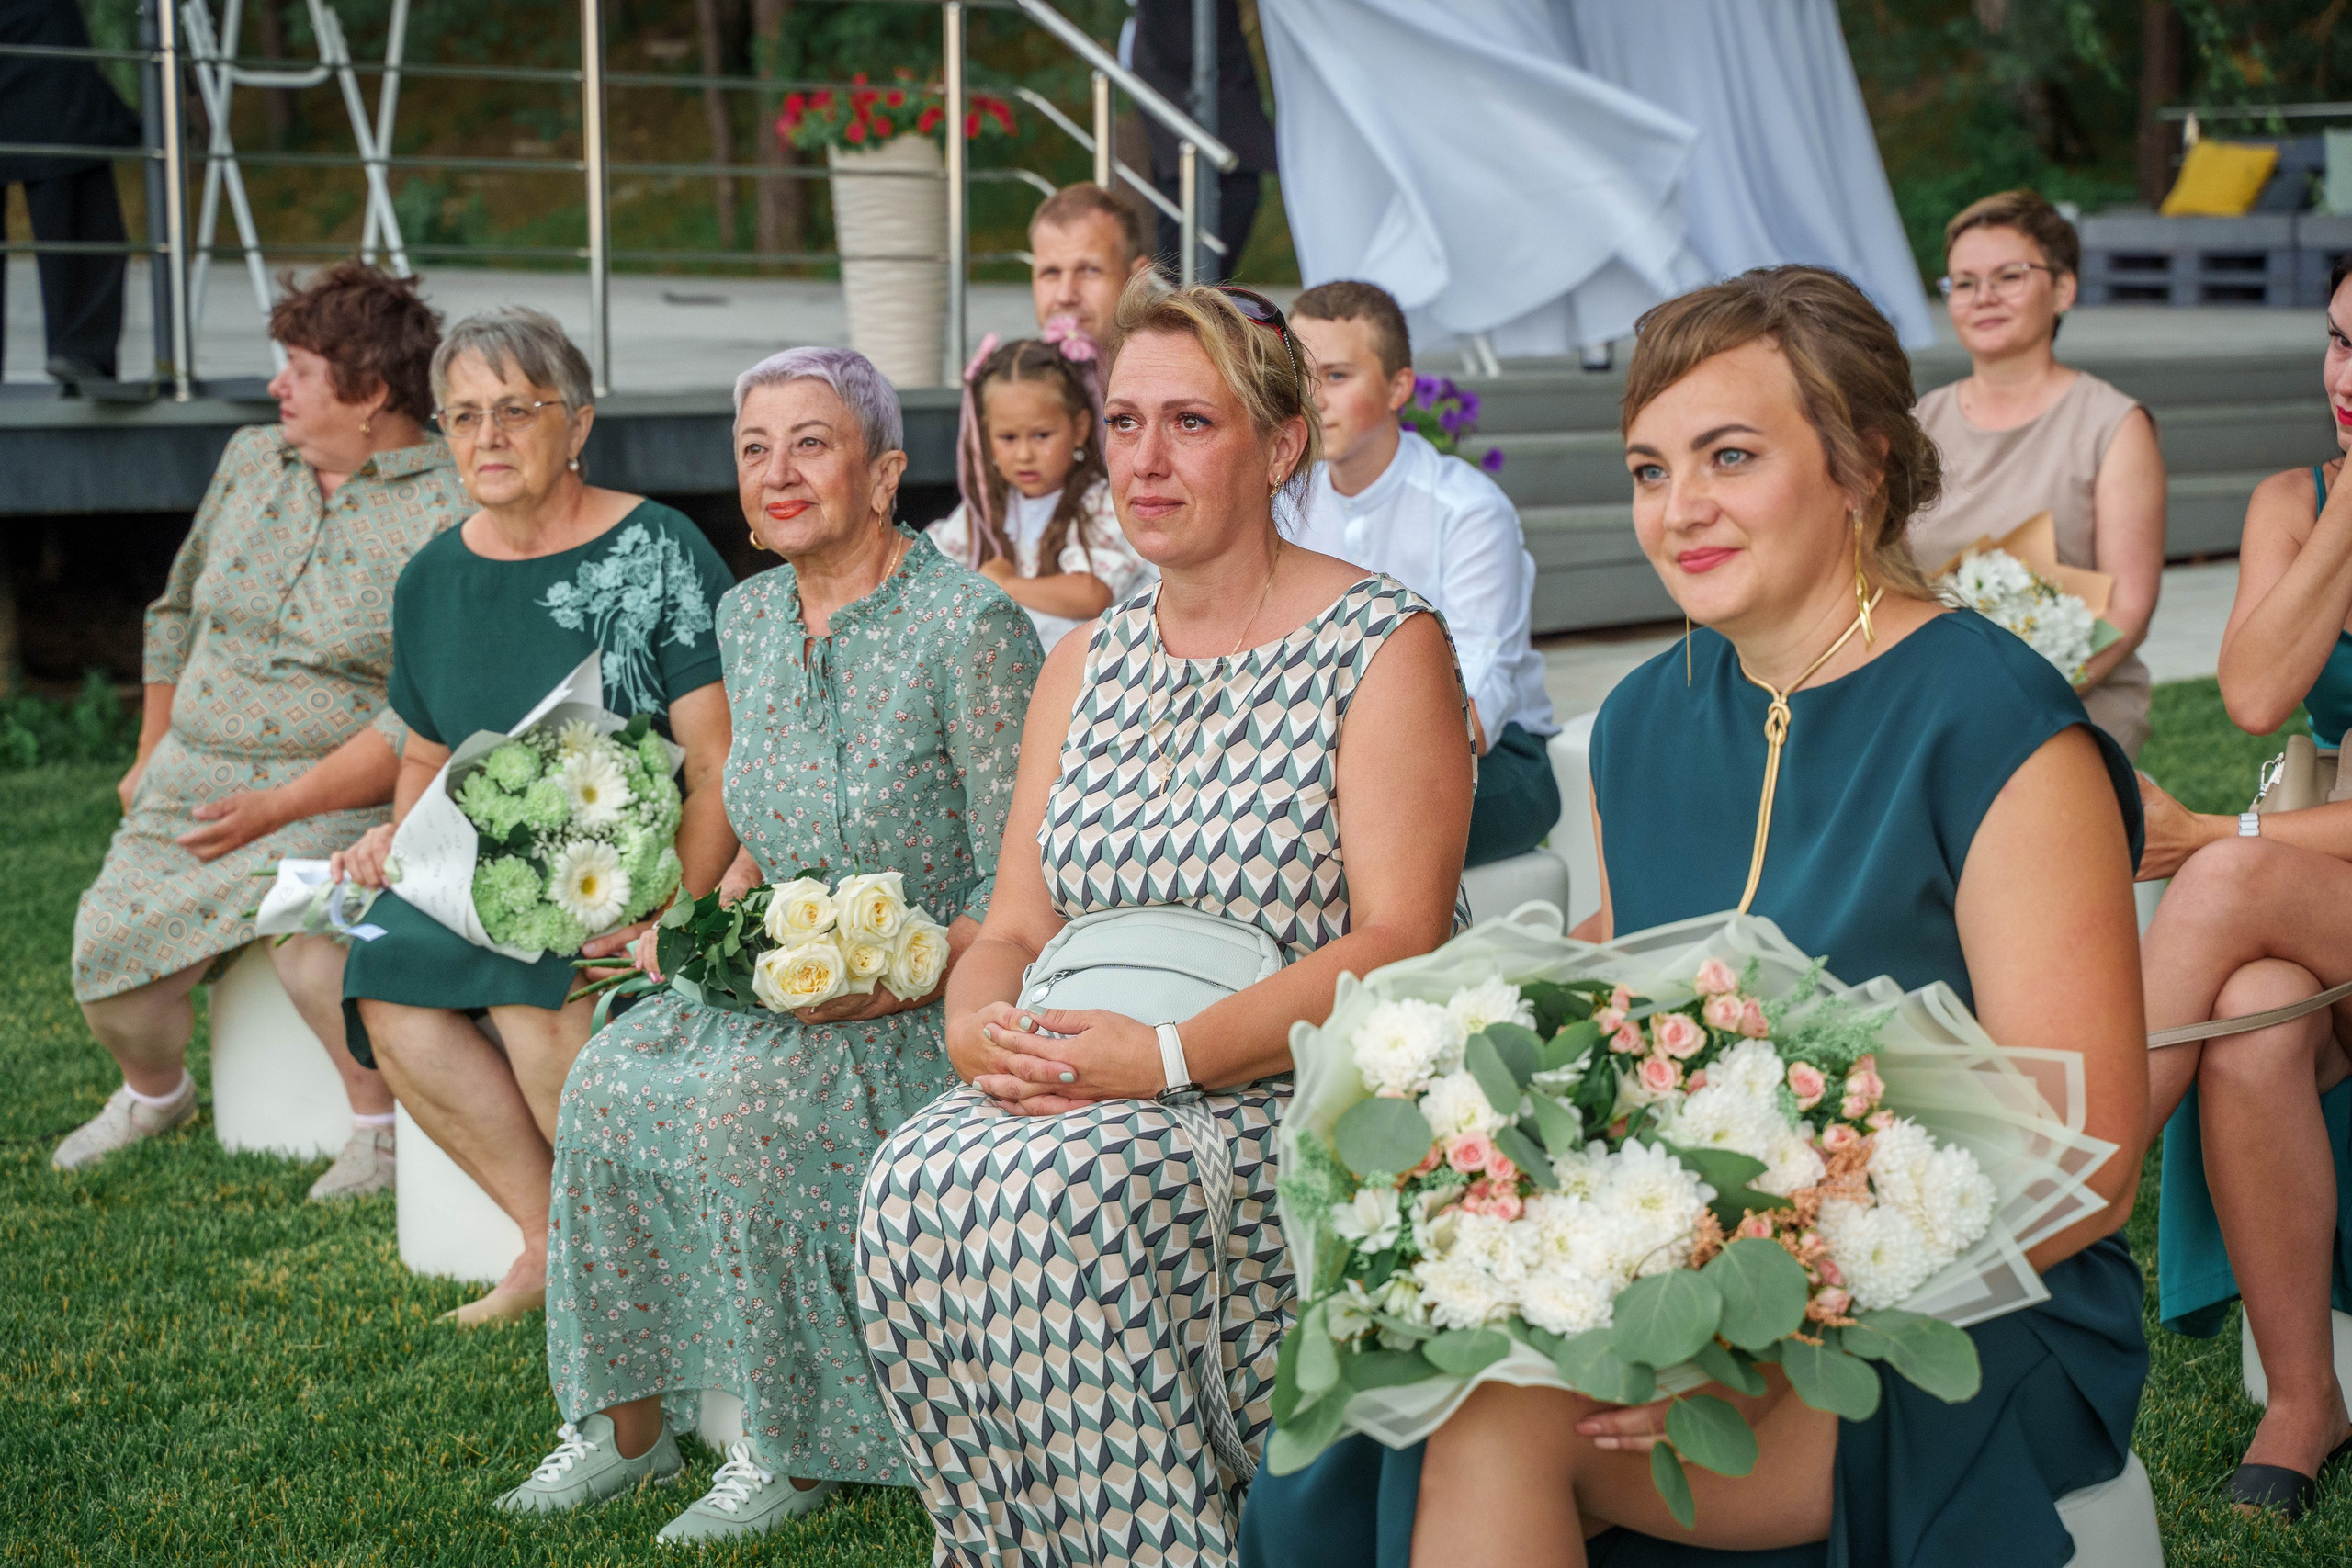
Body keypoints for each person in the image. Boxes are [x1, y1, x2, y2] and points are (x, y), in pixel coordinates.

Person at [1242, 266, 2150, 1568]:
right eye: (1650, 468)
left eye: (1730, 456)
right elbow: (1628, 1024)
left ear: (1863, 465)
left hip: (1962, 1302)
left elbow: (2093, 1151)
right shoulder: (1649, 718)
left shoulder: (1993, 722)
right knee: (1391, 1389)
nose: (1681, 509)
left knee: (1493, 1417)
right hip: (1678, 1262)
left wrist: (1762, 1320)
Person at [858, 277, 1476, 1565]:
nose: (1144, 458)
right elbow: (1019, 913)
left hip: (1289, 1085)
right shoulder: (1085, 659)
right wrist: (979, 1027)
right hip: (1087, 1058)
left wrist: (1168, 1058)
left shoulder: (1383, 642)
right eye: (1124, 421)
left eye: (1191, 423)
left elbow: (1400, 940)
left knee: (1059, 1193)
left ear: (1282, 444)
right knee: (908, 1185)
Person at [494, 346, 1043, 1544]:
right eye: (755, 448)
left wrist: (912, 963)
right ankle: (622, 1424)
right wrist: (699, 924)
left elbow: (1023, 871)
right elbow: (755, 817)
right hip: (784, 965)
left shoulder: (971, 625)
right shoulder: (746, 615)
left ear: (885, 470)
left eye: (811, 442)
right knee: (607, 1076)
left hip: (928, 989)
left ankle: (788, 1445)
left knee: (745, 1105)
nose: (777, 471)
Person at [330, 307, 738, 1325]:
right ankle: (550, 1238)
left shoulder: (657, 548)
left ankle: (646, 1265)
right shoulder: (432, 577)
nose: (488, 437)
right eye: (463, 415)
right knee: (382, 973)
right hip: (480, 877)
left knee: (533, 992)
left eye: (517, 408)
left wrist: (679, 911)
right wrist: (402, 841)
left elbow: (722, 756)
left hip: (633, 867)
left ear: (580, 423)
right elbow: (425, 750)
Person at [60, 262, 462, 1197]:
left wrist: (284, 805)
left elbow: (427, 704)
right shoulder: (251, 459)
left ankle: (379, 1131)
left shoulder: (445, 505)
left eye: (297, 369)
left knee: (309, 932)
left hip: (332, 788)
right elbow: (173, 613)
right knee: (103, 970)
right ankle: (155, 1094)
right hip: (193, 782)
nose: (275, 387)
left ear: (368, 394)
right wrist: (149, 747)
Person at [2133, 253, 2352, 1521]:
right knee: (2259, 1013)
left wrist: (2222, 824)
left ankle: (2057, 1187)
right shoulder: (2295, 499)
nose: (2347, 378)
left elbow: (2241, 812)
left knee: (2218, 882)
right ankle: (2300, 1398)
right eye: (2336, 342)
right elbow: (2261, 696)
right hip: (2322, 870)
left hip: (2288, 851)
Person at [1289, 279, 1560, 866]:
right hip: (1324, 754)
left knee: (1321, 835)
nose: (1313, 398)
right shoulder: (1289, 505)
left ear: (1398, 388)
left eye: (1336, 377)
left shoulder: (1467, 511)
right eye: (1301, 376)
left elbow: (1482, 703)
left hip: (1493, 757)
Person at [1907, 190, 2166, 760]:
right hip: (1927, 705)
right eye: (1965, 282)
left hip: (2068, 704)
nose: (1984, 297)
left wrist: (2017, 702)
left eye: (2009, 276)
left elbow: (2129, 610)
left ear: (2064, 290)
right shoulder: (1919, 423)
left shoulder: (2113, 424)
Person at [927, 326, 1153, 649]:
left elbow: (1092, 593)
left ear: (1079, 429)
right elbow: (932, 565)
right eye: (1007, 438)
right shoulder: (984, 512)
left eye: (1041, 435)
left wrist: (1004, 583)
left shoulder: (1099, 503)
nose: (1024, 455)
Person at [0, 0, 140, 389]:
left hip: (43, 27)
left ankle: (83, 355)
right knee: (73, 174)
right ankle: (83, 353)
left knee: (72, 172)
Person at [1125, 0, 1277, 280]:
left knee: (1241, 185)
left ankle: (1196, 296)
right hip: (1171, 51)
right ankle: (1182, 300)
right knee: (1184, 183)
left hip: (1220, 56)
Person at [1028, 183, 1155, 346]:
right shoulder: (1006, 369)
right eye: (1051, 272)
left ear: (1137, 279)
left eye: (1089, 270)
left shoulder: (1170, 369)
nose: (1064, 296)